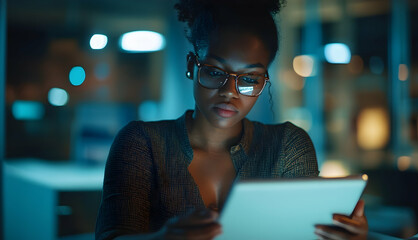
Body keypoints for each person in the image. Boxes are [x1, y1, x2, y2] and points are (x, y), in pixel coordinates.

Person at [95, 0, 368, 239]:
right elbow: (113, 235)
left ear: (264, 80)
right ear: (192, 65)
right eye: (215, 72)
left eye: (249, 79)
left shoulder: (287, 146)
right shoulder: (142, 143)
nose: (229, 92)